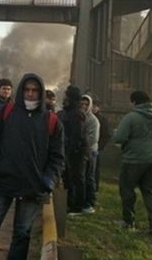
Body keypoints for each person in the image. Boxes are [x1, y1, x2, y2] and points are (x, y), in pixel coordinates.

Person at [0, 74, 64, 259]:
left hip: (32, 186)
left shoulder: (51, 121)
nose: (30, 94)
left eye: (34, 90)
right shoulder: (6, 112)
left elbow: (57, 158)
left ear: (41, 93)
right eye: (26, 89)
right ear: (21, 91)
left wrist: (48, 181)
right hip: (2, 181)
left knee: (22, 233)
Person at [112, 91, 152, 237]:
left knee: (127, 190)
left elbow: (119, 138)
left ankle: (128, 222)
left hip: (133, 160)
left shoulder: (131, 117)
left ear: (134, 102)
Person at [62, 85, 88, 216]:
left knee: (77, 178)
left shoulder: (76, 113)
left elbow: (77, 134)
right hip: (71, 149)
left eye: (66, 95)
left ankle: (78, 206)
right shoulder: (71, 111)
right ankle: (71, 203)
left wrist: (72, 149)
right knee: (69, 177)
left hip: (76, 151)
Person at [81, 94, 100, 213]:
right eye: (82, 103)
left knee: (89, 177)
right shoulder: (80, 117)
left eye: (86, 104)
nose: (83, 106)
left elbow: (93, 138)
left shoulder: (93, 120)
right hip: (82, 151)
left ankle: (90, 202)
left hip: (91, 151)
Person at [93, 98, 112, 194]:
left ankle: (95, 188)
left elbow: (106, 135)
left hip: (97, 148)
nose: (93, 108)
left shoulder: (102, 119)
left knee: (95, 169)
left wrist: (100, 147)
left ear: (98, 107)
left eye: (94, 106)